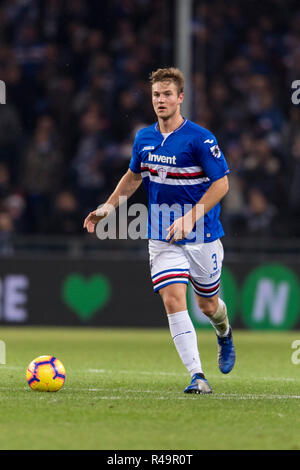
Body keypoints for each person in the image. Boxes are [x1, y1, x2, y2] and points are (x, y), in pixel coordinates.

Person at [84, 67, 235, 394]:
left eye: (168, 94)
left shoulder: (200, 138)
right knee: (172, 297)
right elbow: (134, 176)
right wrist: (107, 209)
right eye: (156, 95)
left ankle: (224, 333)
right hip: (162, 233)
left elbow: (222, 184)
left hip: (203, 234)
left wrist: (191, 217)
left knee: (208, 306)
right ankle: (198, 375)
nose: (161, 100)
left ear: (180, 98)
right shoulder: (144, 138)